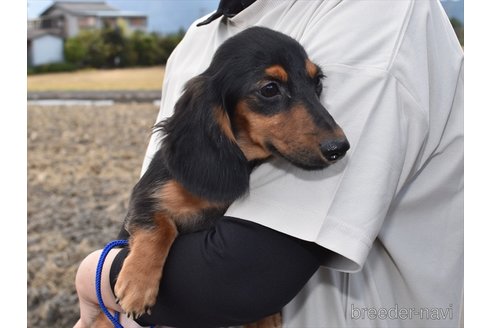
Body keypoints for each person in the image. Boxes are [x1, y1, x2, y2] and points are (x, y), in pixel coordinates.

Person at [74, 0, 464, 327]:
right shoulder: (196, 41)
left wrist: (95, 273)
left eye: (314, 85)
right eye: (270, 90)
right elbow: (156, 196)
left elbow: (242, 277)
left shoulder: (374, 12)